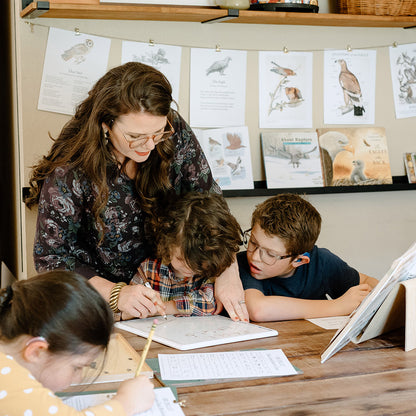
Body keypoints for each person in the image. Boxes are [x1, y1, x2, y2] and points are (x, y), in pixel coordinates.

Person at [25, 61, 248, 322]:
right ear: (105, 124)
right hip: (99, 302)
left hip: (172, 289)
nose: (150, 145)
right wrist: (117, 293)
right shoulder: (71, 168)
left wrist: (228, 272)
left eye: (157, 132)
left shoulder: (175, 132)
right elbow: (51, 257)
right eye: (135, 136)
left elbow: (210, 201)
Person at [0, 270, 154, 416]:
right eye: (77, 367)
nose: (78, 378)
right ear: (36, 351)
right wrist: (126, 403)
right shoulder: (12, 383)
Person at [237, 193, 379, 322]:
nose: (255, 257)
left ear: (299, 260)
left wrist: (375, 292)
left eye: (270, 254)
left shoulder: (322, 262)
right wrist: (337, 306)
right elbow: (258, 310)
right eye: (253, 242)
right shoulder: (243, 264)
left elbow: (367, 282)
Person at [124, 192, 243, 319]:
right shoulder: (149, 270)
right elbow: (131, 305)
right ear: (168, 243)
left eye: (196, 263)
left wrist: (164, 308)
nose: (188, 269)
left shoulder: (210, 271)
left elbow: (209, 303)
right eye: (180, 259)